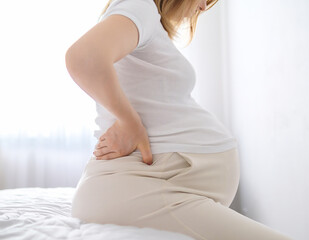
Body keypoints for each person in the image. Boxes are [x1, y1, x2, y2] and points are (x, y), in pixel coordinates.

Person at [65, 0, 292, 239]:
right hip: (151, 182)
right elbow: (84, 57)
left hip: (166, 182)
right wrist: (129, 124)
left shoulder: (145, 17)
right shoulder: (139, 6)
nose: (204, 7)